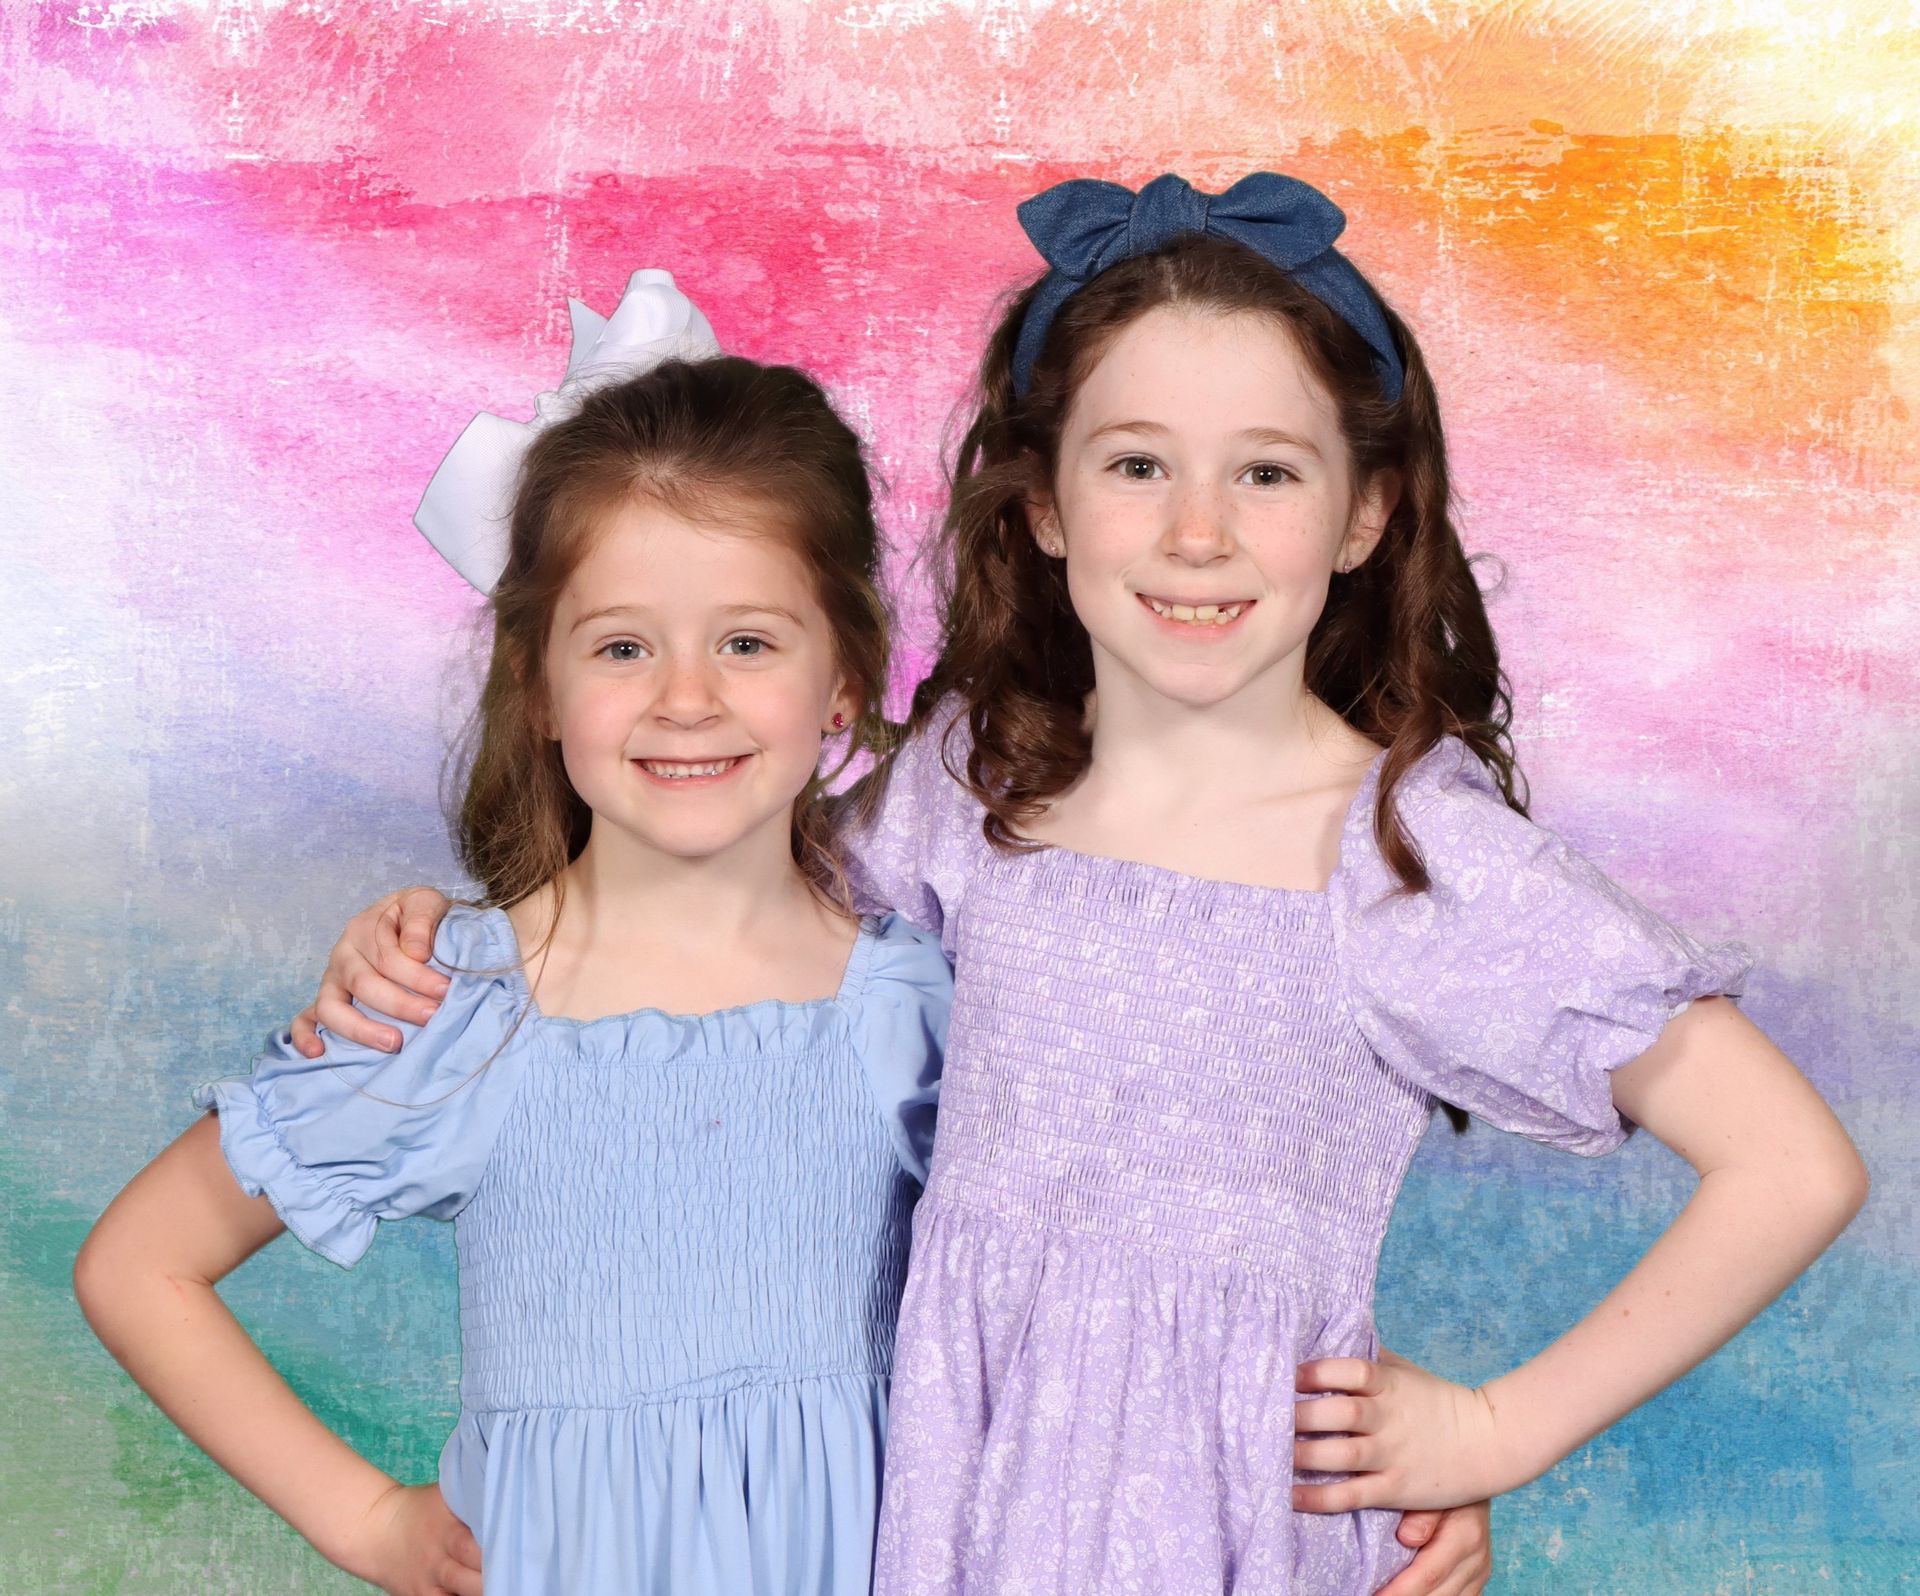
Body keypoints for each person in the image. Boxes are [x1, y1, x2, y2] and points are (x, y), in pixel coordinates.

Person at [296, 170, 1870, 1594]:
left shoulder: (1409, 854)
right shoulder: (970, 784)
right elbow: (711, 916)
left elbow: (1790, 1164)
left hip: (1232, 1527)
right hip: (954, 1509)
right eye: (1137, 465)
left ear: (1366, 512)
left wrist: (1496, 1430)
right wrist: (462, 936)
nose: (1197, 533)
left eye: (1267, 474)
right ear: (1044, 503)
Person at [74, 270, 950, 1596]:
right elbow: (141, 1264)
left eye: (749, 643)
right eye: (622, 649)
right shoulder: (459, 1010)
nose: (687, 700)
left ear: (846, 678)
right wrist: (369, 1519)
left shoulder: (921, 1001)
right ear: (536, 682)